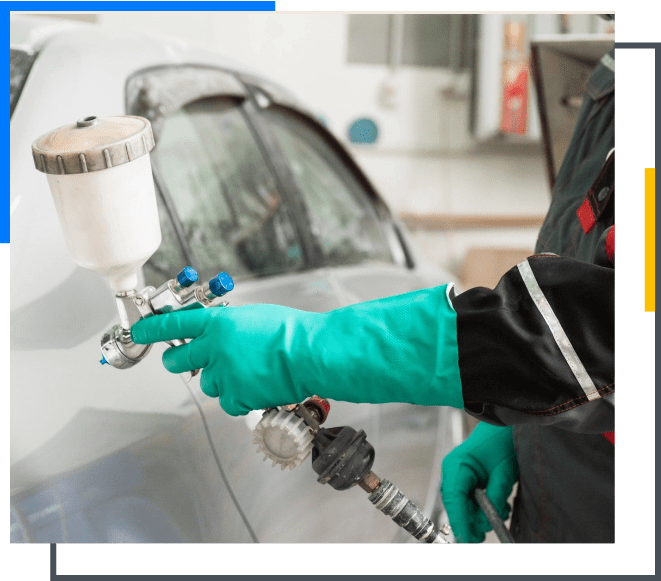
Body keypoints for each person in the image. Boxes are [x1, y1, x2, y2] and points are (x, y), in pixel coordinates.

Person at [131, 48, 614, 544]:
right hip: (565, 493)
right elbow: (583, 281)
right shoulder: (618, 74)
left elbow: (617, 325)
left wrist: (308, 347)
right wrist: (528, 426)